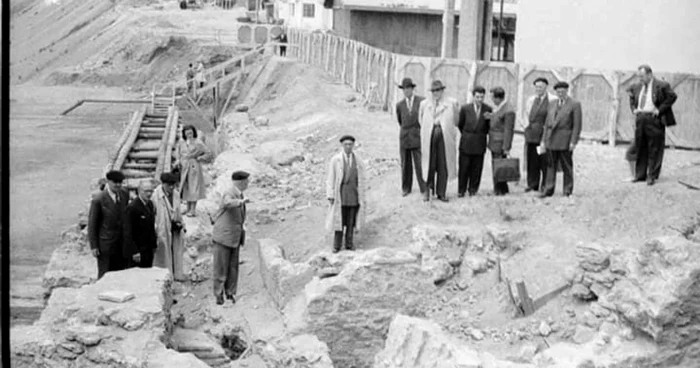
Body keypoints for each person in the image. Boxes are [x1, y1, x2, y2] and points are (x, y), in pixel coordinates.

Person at [628, 64, 677, 186]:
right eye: (639, 76)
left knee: (654, 148)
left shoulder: (662, 85)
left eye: (642, 76)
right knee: (640, 147)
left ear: (650, 74)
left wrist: (660, 110)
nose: (640, 79)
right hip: (640, 119)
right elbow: (632, 98)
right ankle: (640, 175)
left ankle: (652, 176)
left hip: (654, 119)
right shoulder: (637, 86)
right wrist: (633, 109)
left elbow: (672, 96)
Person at [212, 171, 250, 305]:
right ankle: (218, 294)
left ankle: (230, 292)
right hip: (224, 237)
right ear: (241, 182)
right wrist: (240, 202)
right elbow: (228, 203)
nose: (248, 184)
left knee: (233, 267)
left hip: (234, 237)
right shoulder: (230, 193)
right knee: (221, 267)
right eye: (246, 181)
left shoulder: (239, 193)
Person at [540, 81, 583, 197]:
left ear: (567, 91)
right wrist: (543, 140)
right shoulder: (552, 103)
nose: (560, 94)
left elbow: (577, 126)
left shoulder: (574, 104)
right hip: (551, 139)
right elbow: (547, 124)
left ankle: (567, 190)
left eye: (562, 92)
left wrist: (573, 141)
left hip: (565, 141)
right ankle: (548, 189)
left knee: (566, 166)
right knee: (550, 166)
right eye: (558, 92)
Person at [419, 80, 459, 202]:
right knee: (428, 164)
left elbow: (456, 121)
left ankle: (441, 192)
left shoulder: (451, 103)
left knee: (443, 164)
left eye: (438, 90)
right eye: (433, 91)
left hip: (444, 138)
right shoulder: (425, 104)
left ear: (442, 90)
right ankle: (427, 191)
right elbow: (420, 120)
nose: (436, 93)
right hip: (430, 137)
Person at [326, 135, 367, 253]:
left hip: (353, 194)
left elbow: (362, 178)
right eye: (346, 144)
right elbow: (331, 178)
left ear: (353, 145)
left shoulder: (358, 160)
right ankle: (337, 245)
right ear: (342, 145)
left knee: (350, 221)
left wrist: (362, 194)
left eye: (350, 144)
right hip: (341, 194)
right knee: (339, 220)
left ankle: (349, 244)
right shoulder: (336, 160)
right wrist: (330, 194)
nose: (348, 147)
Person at [88, 170, 129, 279]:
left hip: (121, 243)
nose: (118, 185)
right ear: (108, 182)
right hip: (106, 244)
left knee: (120, 272)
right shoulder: (98, 200)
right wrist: (94, 246)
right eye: (115, 182)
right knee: (105, 273)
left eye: (120, 182)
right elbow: (92, 224)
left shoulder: (124, 194)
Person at [457, 85, 492, 197]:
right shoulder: (465, 108)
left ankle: (473, 189)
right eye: (477, 97)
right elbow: (460, 124)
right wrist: (468, 135)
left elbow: (488, 126)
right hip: (467, 142)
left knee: (476, 169)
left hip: (479, 143)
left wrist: (480, 135)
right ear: (473, 97)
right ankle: (461, 190)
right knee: (464, 168)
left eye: (482, 97)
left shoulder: (488, 109)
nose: (479, 99)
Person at [395, 77, 426, 197]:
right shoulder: (400, 105)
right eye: (404, 89)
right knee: (405, 163)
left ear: (412, 89)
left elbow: (424, 118)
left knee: (419, 163)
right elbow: (400, 121)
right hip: (404, 137)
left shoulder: (421, 101)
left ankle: (424, 188)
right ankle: (406, 188)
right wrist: (406, 130)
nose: (406, 91)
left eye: (408, 88)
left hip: (416, 136)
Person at [523, 77, 555, 192]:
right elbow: (526, 114)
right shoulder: (531, 99)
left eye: (540, 87)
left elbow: (551, 118)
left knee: (544, 161)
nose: (538, 89)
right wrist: (526, 127)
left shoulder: (552, 100)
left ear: (546, 87)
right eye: (536, 87)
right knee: (532, 161)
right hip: (532, 135)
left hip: (543, 136)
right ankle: (532, 184)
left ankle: (545, 185)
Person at [153, 172, 186, 281]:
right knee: (164, 255)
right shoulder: (155, 196)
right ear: (163, 184)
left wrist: (181, 223)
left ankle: (177, 275)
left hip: (174, 229)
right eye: (169, 185)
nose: (171, 187)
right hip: (163, 229)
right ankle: (166, 278)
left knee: (175, 251)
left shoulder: (176, 194)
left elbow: (178, 212)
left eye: (174, 185)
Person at [486, 87, 516, 196]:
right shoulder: (501, 107)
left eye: (492, 97)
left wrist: (506, 147)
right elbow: (498, 119)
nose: (492, 100)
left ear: (497, 98)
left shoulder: (508, 110)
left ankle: (499, 190)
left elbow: (508, 130)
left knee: (499, 166)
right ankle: (501, 189)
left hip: (500, 143)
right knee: (497, 165)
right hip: (495, 142)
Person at [174, 125, 209, 217]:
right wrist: (178, 160)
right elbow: (178, 153)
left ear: (194, 132)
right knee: (186, 187)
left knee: (193, 187)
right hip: (184, 166)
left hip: (194, 167)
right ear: (184, 134)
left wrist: (199, 158)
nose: (189, 134)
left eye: (191, 132)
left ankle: (193, 209)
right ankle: (188, 207)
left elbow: (208, 153)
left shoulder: (198, 142)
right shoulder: (182, 142)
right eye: (187, 133)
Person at [123, 179, 158, 269]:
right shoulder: (132, 208)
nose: (149, 194)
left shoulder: (150, 204)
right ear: (139, 191)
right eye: (146, 191)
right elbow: (128, 231)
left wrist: (154, 244)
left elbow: (151, 226)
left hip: (148, 248)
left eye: (151, 191)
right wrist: (134, 251)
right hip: (138, 250)